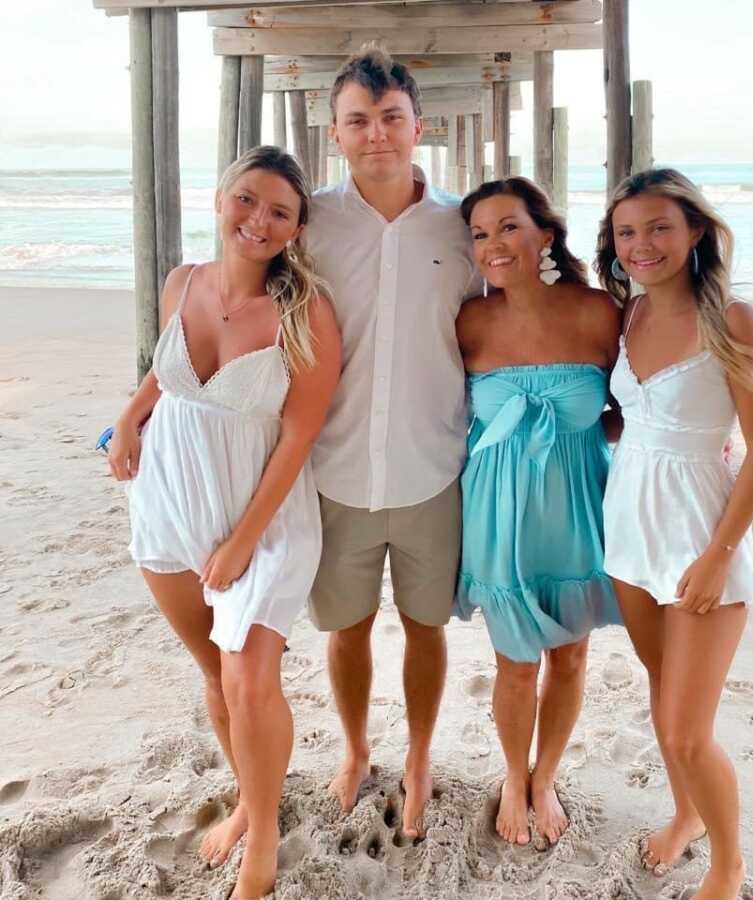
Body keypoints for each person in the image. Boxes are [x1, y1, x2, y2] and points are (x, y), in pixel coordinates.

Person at [107, 146, 341, 900]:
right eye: (248, 200)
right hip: (169, 500)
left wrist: (242, 541)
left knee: (249, 678)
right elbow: (165, 364)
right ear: (220, 199)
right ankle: (249, 798)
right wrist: (133, 415)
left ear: (297, 229)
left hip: (259, 518)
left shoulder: (306, 313)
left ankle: (264, 838)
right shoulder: (183, 282)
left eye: (279, 211)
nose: (258, 220)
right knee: (214, 672)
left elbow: (300, 435)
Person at [303, 47, 479, 838]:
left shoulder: (462, 225)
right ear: (334, 131)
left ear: (420, 125)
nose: (376, 135)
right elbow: (229, 305)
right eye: (358, 121)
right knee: (345, 626)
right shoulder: (307, 221)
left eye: (391, 119)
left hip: (431, 464)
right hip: (333, 465)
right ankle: (354, 747)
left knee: (424, 625)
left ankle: (418, 755)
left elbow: (515, 316)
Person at [596, 168, 753, 899]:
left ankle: (728, 864)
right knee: (662, 690)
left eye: (660, 228)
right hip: (630, 531)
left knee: (684, 731)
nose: (643, 245)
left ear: (696, 231)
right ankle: (685, 815)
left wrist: (717, 556)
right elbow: (631, 420)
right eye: (627, 232)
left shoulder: (733, 320)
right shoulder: (629, 315)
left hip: (703, 537)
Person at [454, 177, 622, 846]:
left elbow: (634, 407)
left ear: (544, 234)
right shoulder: (469, 320)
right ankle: (512, 777)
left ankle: (545, 775)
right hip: (496, 515)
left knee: (572, 660)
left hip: (578, 507)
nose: (493, 244)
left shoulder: (599, 312)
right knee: (515, 664)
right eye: (479, 234)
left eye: (508, 227)